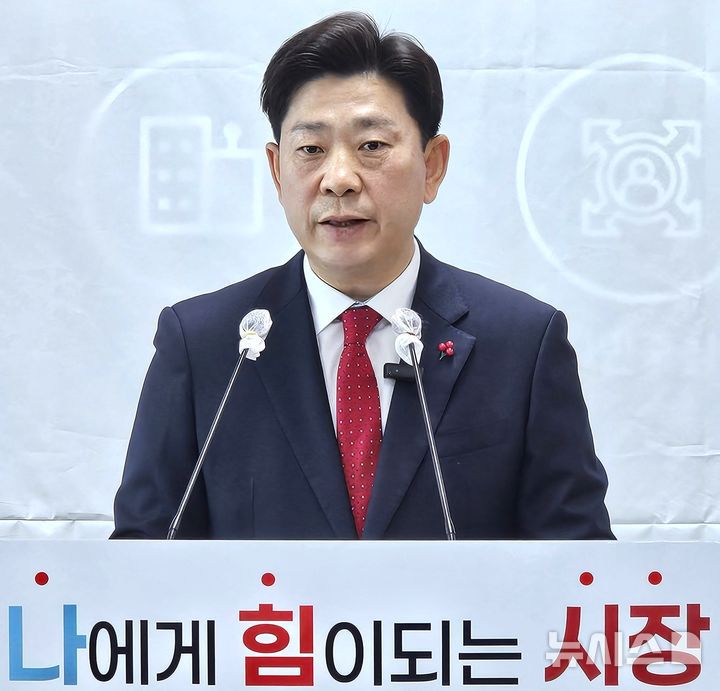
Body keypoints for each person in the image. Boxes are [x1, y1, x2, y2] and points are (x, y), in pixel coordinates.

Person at [111, 12, 613, 540]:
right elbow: (143, 559)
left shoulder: (522, 344)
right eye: (311, 150)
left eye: (372, 146)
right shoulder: (207, 344)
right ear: (277, 170)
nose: (339, 179)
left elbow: (579, 564)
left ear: (433, 165)